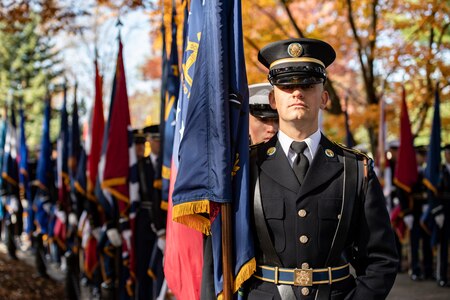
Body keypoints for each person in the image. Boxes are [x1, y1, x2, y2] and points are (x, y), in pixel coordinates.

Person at [247, 38, 398, 299]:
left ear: (324, 98)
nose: (297, 93)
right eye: (286, 85)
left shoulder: (354, 168)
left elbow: (381, 258)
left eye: (306, 84)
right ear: (273, 99)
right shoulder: (248, 167)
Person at [435, 144, 450, 287]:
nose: (448, 155)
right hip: (444, 214)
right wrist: (438, 212)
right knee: (443, 246)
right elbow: (436, 194)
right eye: (447, 152)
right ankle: (442, 276)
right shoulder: (440, 171)